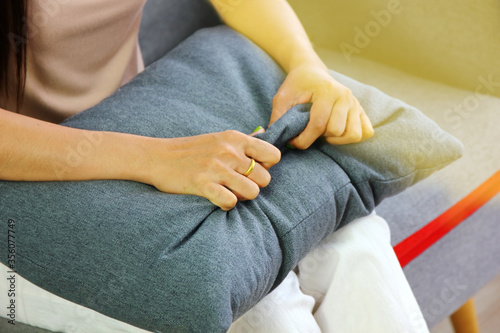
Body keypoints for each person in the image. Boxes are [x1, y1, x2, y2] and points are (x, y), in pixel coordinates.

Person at [0, 0, 373, 212]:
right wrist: (153, 159)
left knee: (354, 241)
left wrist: (307, 64)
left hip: (134, 118)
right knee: (267, 299)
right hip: (31, 173)